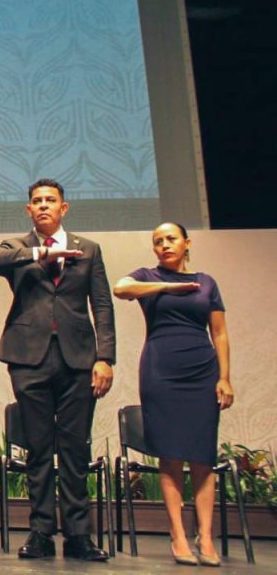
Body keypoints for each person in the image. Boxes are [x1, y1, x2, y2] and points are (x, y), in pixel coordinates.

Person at [0, 178, 115, 561]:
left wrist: (105, 357)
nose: (43, 205)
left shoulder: (88, 249)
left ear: (63, 207)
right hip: (29, 359)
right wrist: (40, 253)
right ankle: (41, 532)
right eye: (37, 201)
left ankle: (78, 535)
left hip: (79, 358)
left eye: (50, 200)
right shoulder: (17, 247)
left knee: (74, 450)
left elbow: (102, 305)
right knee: (38, 449)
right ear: (29, 209)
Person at [113, 222, 232, 567]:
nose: (164, 245)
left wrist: (225, 378)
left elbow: (220, 333)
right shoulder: (147, 276)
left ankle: (205, 536)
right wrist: (167, 286)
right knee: (170, 455)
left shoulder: (206, 282)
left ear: (186, 243)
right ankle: (178, 535)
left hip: (202, 370)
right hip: (161, 370)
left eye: (171, 239)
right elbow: (121, 288)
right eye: (158, 241)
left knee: (202, 456)